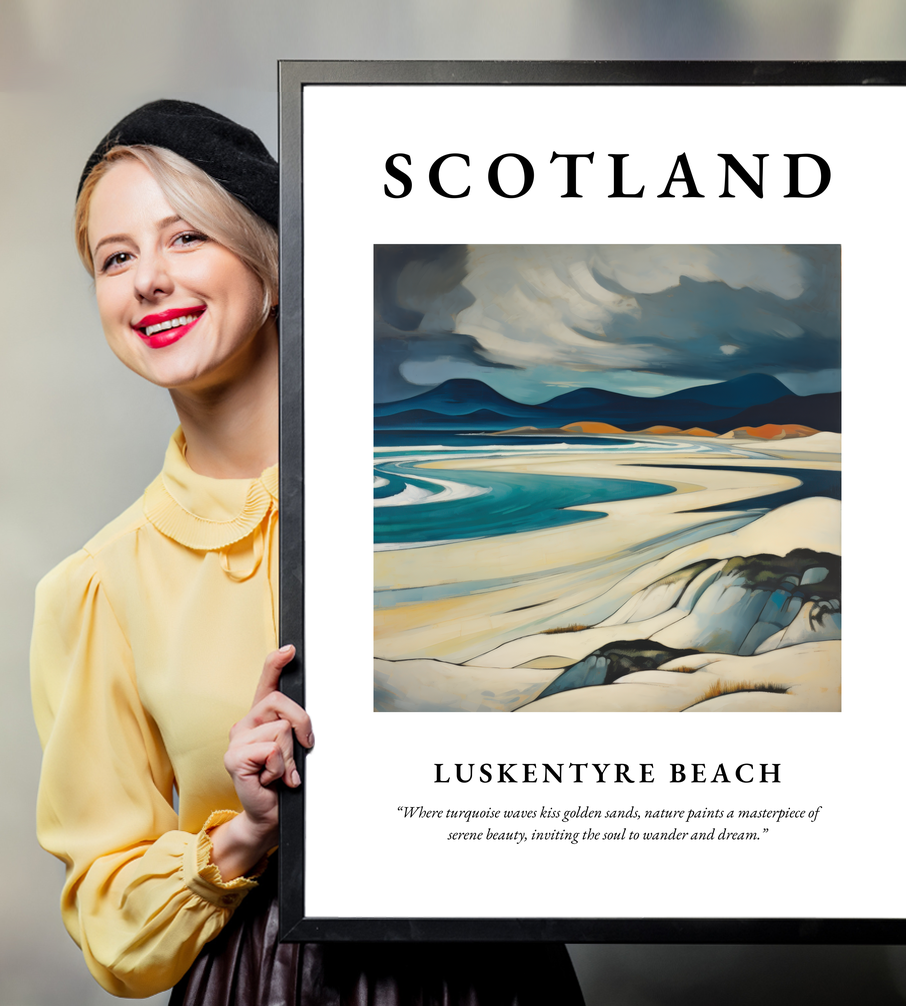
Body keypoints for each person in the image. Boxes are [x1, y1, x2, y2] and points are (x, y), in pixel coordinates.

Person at [30, 100, 586, 1004]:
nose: (148, 281)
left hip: (493, 973)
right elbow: (110, 923)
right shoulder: (98, 587)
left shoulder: (454, 494)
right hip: (262, 982)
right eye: (116, 257)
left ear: (273, 264)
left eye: (185, 239)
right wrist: (245, 832)